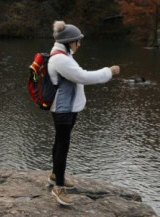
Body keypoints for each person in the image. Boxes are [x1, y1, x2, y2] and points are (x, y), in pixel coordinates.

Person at [48, 20, 120, 207]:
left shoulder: (62, 54)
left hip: (65, 107)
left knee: (59, 142)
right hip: (64, 109)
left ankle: (56, 174)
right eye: (76, 41)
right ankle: (59, 187)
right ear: (67, 42)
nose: (79, 44)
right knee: (63, 145)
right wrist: (108, 72)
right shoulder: (61, 59)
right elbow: (83, 76)